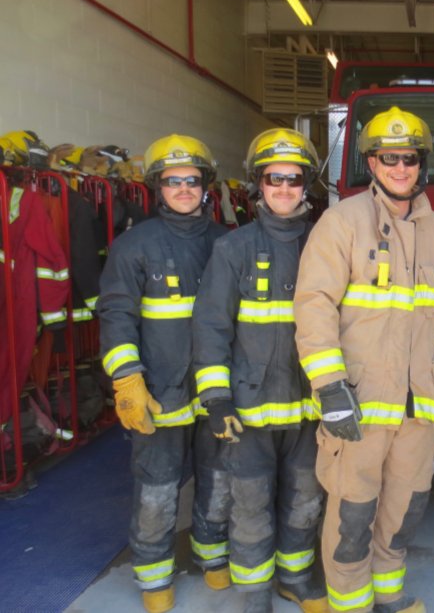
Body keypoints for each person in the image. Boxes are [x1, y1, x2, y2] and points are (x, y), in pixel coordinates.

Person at [293, 106, 434, 613]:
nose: (400, 168)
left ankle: (387, 597)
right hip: (360, 406)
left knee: (404, 510)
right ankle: (350, 605)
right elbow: (314, 305)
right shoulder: (341, 221)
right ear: (371, 163)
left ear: (422, 163)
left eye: (409, 158)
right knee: (352, 516)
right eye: (388, 158)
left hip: (418, 408)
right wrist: (329, 388)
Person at [192, 129, 327, 613]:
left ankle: (294, 578)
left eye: (294, 179)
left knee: (305, 498)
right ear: (257, 184)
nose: (285, 188)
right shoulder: (233, 249)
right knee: (249, 503)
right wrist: (217, 398)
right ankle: (253, 593)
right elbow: (210, 326)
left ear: (307, 184)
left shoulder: (326, 243)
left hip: (310, 406)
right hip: (247, 409)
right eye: (275, 178)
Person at [97, 135, 230, 613]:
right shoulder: (133, 246)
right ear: (158, 186)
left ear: (205, 186)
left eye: (192, 180)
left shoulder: (225, 243)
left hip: (215, 390)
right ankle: (154, 574)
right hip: (159, 391)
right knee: (156, 486)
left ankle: (213, 555)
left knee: (218, 480)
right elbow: (116, 315)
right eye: (173, 181)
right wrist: (127, 379)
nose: (183, 188)